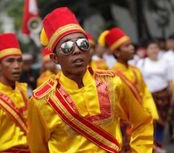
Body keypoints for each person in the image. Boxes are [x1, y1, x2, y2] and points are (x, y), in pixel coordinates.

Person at [27, 7, 154, 153]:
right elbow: (38, 148)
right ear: (54, 58)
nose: (76, 50)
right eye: (67, 47)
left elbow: (142, 122)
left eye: (83, 43)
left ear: (89, 51)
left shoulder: (113, 83)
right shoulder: (41, 100)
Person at [137, 40, 173, 152]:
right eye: (151, 48)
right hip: (148, 97)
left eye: (156, 48)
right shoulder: (142, 63)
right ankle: (152, 146)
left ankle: (159, 145)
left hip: (163, 97)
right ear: (147, 50)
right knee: (151, 122)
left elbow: (170, 80)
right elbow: (138, 81)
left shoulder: (165, 62)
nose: (154, 50)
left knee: (161, 123)